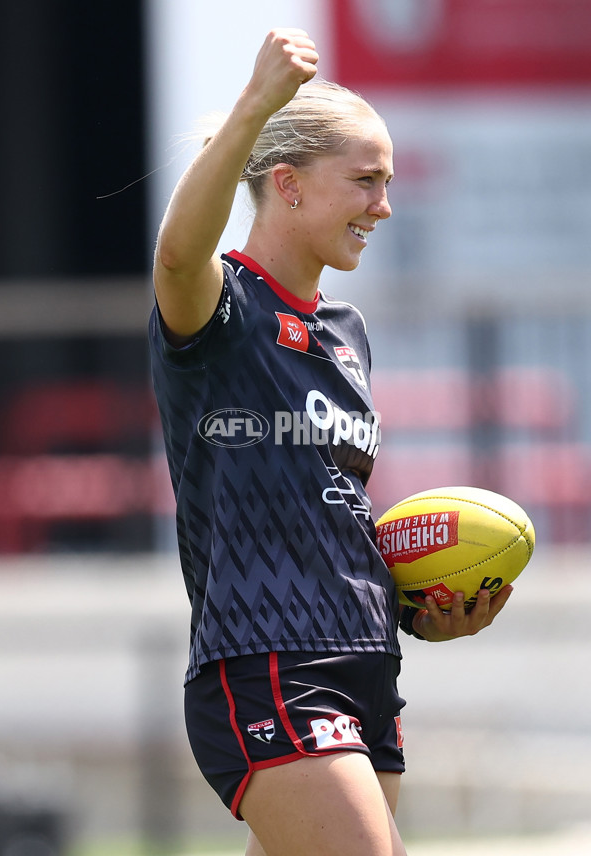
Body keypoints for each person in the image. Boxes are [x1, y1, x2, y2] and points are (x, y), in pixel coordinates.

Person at [149, 28, 513, 856]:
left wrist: (419, 610)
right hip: (269, 661)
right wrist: (254, 104)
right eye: (364, 180)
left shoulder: (345, 333)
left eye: (385, 181)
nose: (384, 204)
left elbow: (329, 510)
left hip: (365, 664)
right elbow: (176, 257)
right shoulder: (222, 309)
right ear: (289, 186)